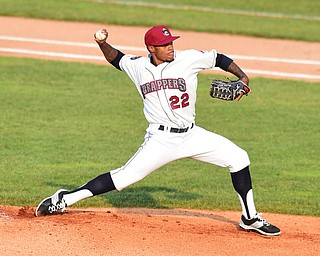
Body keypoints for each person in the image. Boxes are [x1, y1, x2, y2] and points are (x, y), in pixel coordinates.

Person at [35, 25, 281, 236]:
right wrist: (102, 42)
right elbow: (116, 58)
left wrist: (243, 77)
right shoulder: (138, 66)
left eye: (171, 42)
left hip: (192, 135)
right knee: (123, 178)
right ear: (151, 49)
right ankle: (64, 199)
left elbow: (219, 58)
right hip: (160, 140)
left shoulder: (189, 59)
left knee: (238, 157)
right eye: (164, 45)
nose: (171, 47)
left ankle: (249, 218)